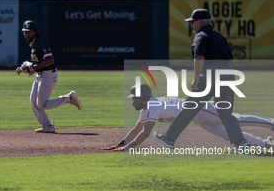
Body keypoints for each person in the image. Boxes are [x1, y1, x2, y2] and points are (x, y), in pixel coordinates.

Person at [153, 8, 250, 151]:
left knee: (189, 107)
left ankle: (169, 138)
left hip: (210, 75)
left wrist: (196, 79)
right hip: (228, 74)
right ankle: (240, 142)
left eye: (192, 22)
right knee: (224, 111)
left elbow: (199, 58)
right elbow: (230, 59)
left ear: (200, 22)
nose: (191, 25)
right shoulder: (220, 36)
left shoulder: (201, 35)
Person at [103, 84, 274, 151]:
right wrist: (120, 144)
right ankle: (265, 143)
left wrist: (128, 148)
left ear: (143, 97)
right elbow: (136, 129)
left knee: (235, 120)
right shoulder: (146, 109)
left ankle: (270, 122)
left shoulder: (153, 105)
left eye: (134, 97)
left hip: (200, 109)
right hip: (197, 118)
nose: (133, 100)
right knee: (229, 134)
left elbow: (145, 133)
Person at [16, 20, 81, 133]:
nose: (27, 34)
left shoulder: (39, 44)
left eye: (29, 32)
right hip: (40, 76)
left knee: (42, 104)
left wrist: (33, 68)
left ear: (34, 32)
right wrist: (23, 69)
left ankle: (69, 98)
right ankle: (47, 126)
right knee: (33, 101)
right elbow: (35, 63)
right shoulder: (33, 44)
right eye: (25, 32)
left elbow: (50, 60)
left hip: (48, 76)